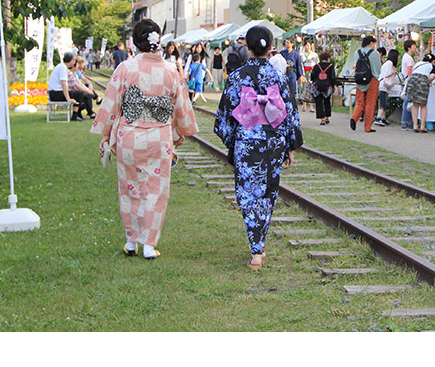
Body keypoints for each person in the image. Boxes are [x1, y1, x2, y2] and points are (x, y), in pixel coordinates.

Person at [90, 19, 198, 260]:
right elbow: (181, 107)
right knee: (156, 190)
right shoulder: (171, 71)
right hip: (159, 135)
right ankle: (149, 244)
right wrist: (179, 132)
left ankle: (131, 241)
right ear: (158, 41)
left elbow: (111, 105)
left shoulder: (126, 69)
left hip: (129, 134)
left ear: (137, 42)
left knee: (130, 188)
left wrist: (106, 134)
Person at [214, 25, 303, 271]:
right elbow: (290, 114)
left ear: (248, 48)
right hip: (274, 141)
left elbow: (225, 117)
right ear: (270, 47)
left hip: (247, 141)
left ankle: (256, 250)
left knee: (247, 194)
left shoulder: (238, 77)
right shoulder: (280, 77)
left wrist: (234, 142)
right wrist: (290, 147)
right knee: (267, 192)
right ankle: (259, 245)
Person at [349, 35, 382, 133]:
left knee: (360, 101)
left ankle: (354, 118)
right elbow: (377, 69)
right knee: (370, 103)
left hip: (359, 80)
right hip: (372, 79)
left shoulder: (357, 53)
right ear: (371, 43)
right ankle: (367, 127)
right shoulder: (375, 54)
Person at [47, 52, 85, 121]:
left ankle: (77, 114)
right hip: (56, 93)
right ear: (71, 61)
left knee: (77, 93)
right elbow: (64, 84)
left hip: (54, 92)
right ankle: (75, 115)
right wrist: (68, 98)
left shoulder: (61, 66)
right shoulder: (63, 68)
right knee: (79, 94)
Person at [406, 53, 435, 133]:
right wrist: (428, 82)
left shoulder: (417, 64)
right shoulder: (432, 66)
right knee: (423, 105)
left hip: (412, 81)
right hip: (422, 81)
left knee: (415, 104)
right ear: (433, 61)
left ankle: (415, 126)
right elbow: (431, 77)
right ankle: (422, 126)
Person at [310, 51, 337, 125]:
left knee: (319, 102)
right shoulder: (331, 67)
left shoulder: (316, 66)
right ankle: (327, 117)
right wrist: (335, 86)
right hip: (327, 87)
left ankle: (322, 119)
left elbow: (312, 76)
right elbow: (333, 77)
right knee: (327, 102)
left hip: (317, 87)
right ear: (328, 58)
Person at [375, 49, 399, 127]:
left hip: (383, 86)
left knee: (384, 102)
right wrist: (393, 72)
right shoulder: (389, 63)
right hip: (383, 86)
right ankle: (378, 118)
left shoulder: (387, 63)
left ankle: (383, 119)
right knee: (383, 103)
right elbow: (386, 74)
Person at [400, 40, 417, 130]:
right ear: (409, 47)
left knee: (407, 102)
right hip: (408, 83)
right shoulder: (409, 58)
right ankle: (406, 122)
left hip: (405, 82)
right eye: (414, 46)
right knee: (408, 103)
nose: (415, 47)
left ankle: (407, 122)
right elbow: (410, 72)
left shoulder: (405, 57)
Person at [301, 41, 319, 113]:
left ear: (311, 46)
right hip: (305, 72)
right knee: (304, 88)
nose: (307, 47)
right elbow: (301, 65)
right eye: (306, 45)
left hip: (312, 72)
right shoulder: (302, 55)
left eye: (308, 45)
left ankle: (311, 106)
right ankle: (304, 105)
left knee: (312, 89)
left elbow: (317, 64)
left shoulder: (314, 55)